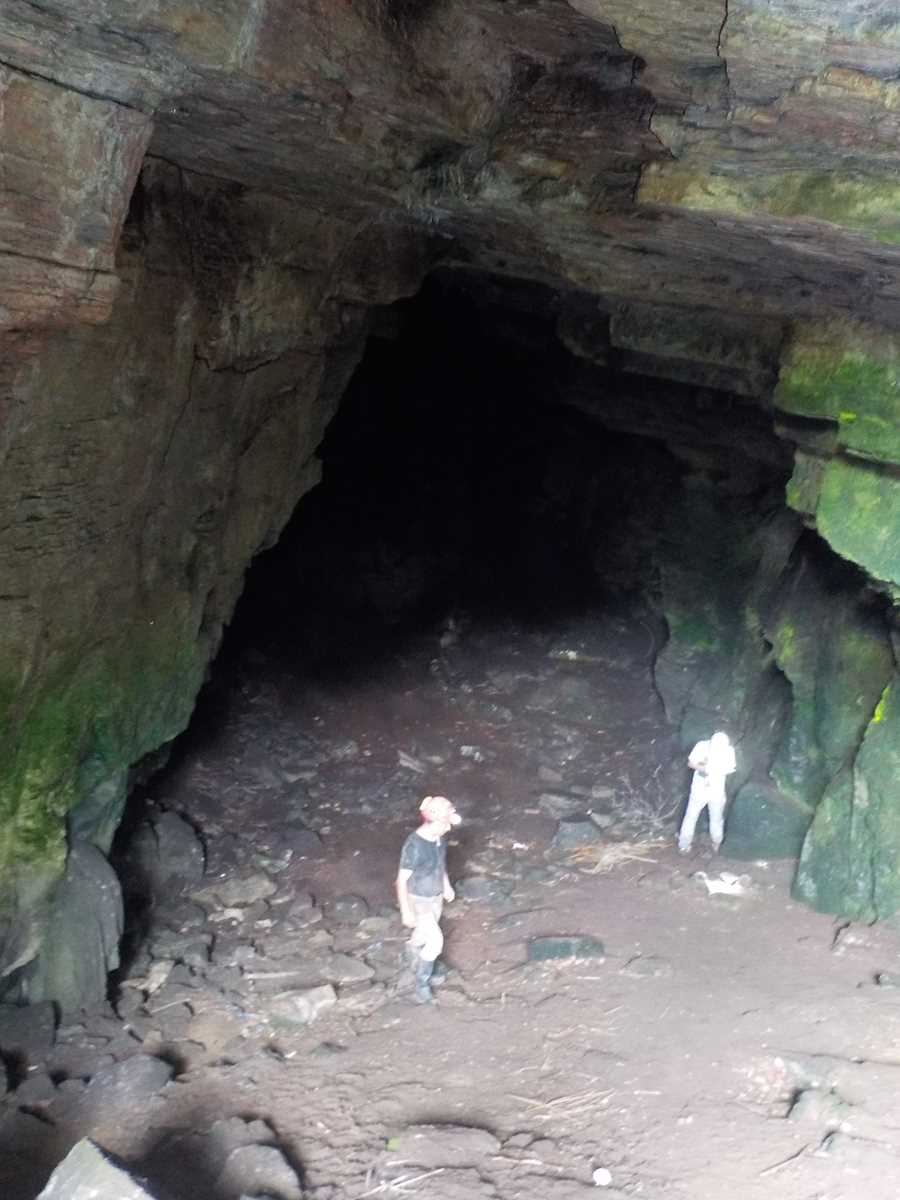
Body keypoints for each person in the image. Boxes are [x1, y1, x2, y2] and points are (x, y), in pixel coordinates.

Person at [396, 795, 460, 1004]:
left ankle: (411, 955)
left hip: (435, 896)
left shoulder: (439, 838)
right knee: (435, 942)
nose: (448, 828)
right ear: (434, 819)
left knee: (423, 936)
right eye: (446, 823)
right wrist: (406, 911)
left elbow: (440, 864)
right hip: (419, 899)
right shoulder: (414, 845)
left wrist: (446, 885)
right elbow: (401, 880)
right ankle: (421, 983)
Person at [677, 731, 736, 855]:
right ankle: (684, 844)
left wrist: (716, 769)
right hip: (699, 788)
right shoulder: (702, 746)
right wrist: (704, 768)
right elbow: (690, 763)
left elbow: (731, 768)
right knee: (691, 816)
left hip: (717, 789)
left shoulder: (729, 751)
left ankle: (717, 843)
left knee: (716, 818)